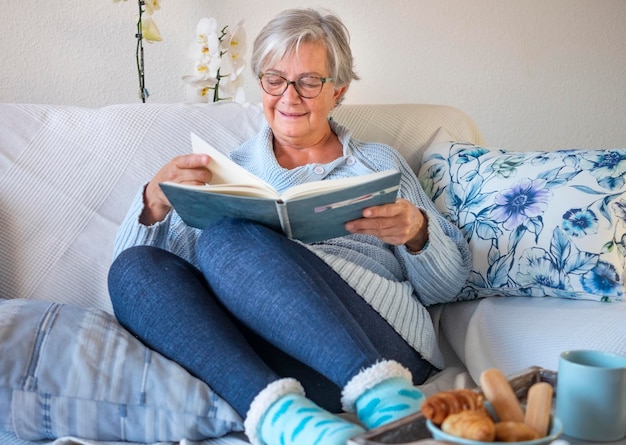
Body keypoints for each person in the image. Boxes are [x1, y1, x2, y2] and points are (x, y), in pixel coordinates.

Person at [108, 7, 471, 445]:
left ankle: (388, 402)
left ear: (338, 91)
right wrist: (153, 202)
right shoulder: (226, 171)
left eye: (309, 81)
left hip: (378, 348)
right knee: (135, 266)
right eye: (275, 79)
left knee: (227, 240)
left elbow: (446, 289)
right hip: (276, 366)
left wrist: (418, 234)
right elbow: (145, 294)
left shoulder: (378, 163)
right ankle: (289, 421)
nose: (289, 97)